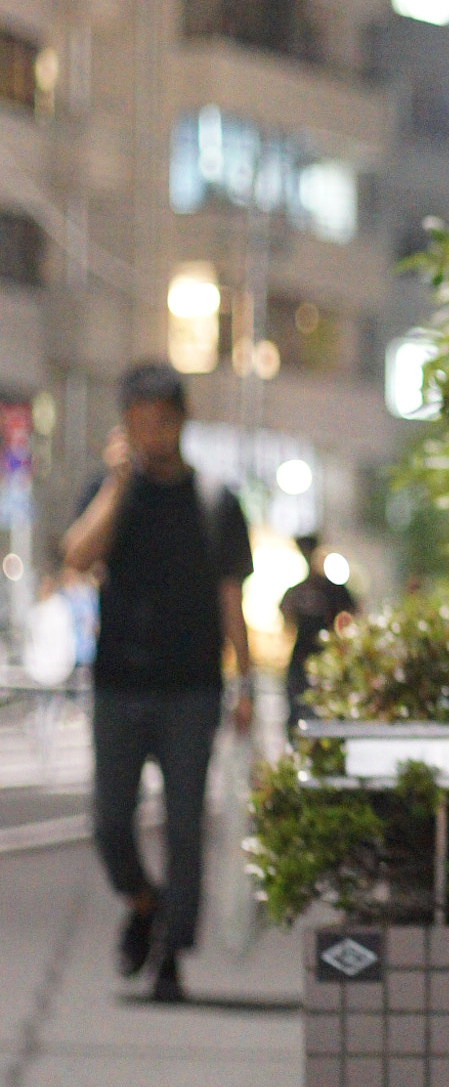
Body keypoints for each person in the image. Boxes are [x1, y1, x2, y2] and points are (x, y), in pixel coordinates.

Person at [61, 363, 254, 1004]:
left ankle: (172, 952)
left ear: (180, 420)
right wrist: (117, 485)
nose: (149, 431)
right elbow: (77, 556)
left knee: (183, 825)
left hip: (192, 689)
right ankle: (144, 904)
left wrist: (245, 682)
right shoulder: (111, 489)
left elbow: (233, 600)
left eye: (160, 419)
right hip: (117, 684)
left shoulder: (216, 501)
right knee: (109, 822)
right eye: (137, 419)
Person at [281, 534, 350, 740]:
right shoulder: (296, 591)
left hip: (325, 661)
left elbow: (350, 615)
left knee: (324, 715)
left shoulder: (332, 589)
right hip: (300, 661)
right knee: (297, 713)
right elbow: (286, 618)